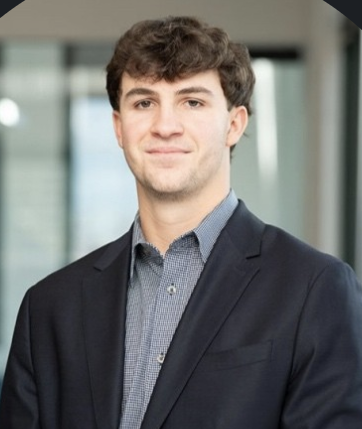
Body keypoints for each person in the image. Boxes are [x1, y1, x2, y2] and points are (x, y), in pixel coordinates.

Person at [0, 16, 362, 429]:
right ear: (119, 127)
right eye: (143, 102)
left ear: (234, 124)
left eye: (193, 102)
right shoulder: (48, 307)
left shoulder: (315, 289)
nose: (165, 126)